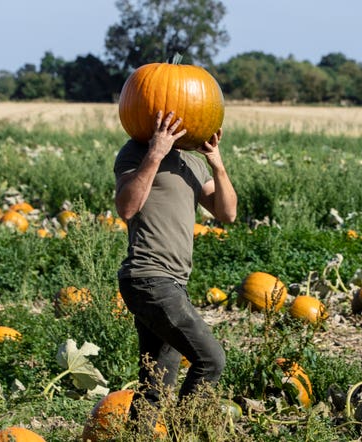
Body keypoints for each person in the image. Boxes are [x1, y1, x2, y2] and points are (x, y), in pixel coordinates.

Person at [114, 110, 237, 428]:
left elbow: (227, 213)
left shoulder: (194, 161)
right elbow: (127, 207)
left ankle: (138, 435)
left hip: (173, 283)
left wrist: (216, 162)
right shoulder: (136, 151)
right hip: (148, 278)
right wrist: (155, 153)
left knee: (155, 386)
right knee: (210, 359)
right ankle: (184, 434)